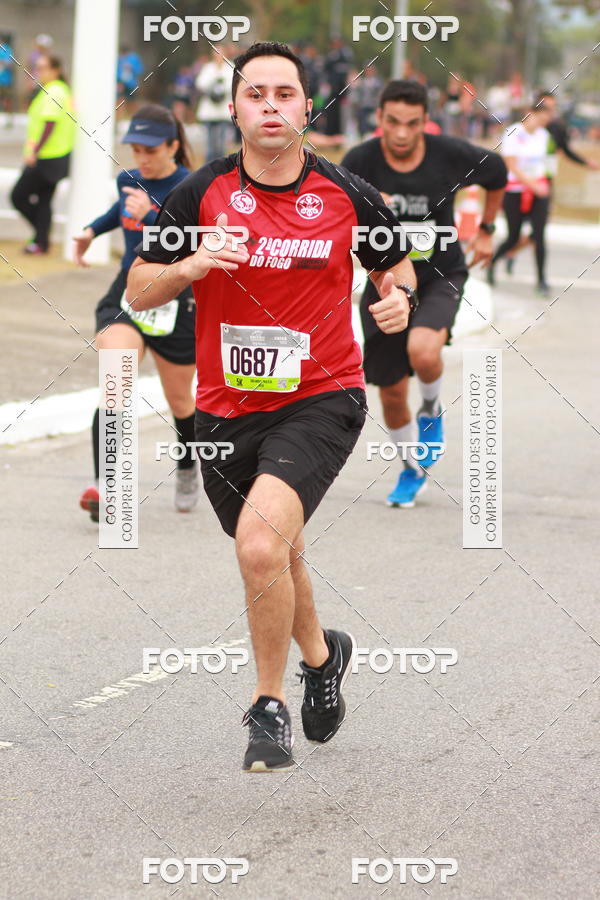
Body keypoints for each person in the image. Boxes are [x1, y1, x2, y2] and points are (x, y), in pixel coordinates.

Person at [127, 42, 416, 772]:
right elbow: (137, 290)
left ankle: (268, 705)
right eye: (255, 94)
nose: (271, 107)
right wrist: (192, 263)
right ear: (233, 109)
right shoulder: (199, 193)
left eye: (284, 94)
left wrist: (397, 301)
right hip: (226, 409)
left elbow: (396, 262)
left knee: (259, 546)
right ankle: (323, 659)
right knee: (276, 552)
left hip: (323, 397)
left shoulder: (346, 191)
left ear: (305, 106)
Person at [342, 80, 507, 508]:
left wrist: (486, 229)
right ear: (378, 120)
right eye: (392, 122)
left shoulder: (450, 154)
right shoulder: (359, 161)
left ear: (424, 124)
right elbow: (338, 218)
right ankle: (411, 470)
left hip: (439, 274)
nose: (400, 133)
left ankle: (431, 408)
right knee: (392, 391)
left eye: (411, 124)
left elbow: (498, 173)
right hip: (384, 282)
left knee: (424, 351)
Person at [73, 105, 198, 521]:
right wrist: (91, 231)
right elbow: (118, 211)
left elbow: (196, 238)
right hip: (128, 294)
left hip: (176, 299)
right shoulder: (129, 179)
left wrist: (154, 216)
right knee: (115, 382)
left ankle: (186, 466)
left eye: (150, 149)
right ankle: (106, 488)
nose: (141, 158)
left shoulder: (192, 185)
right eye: (135, 149)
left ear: (173, 146)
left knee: (181, 401)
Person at [503, 91, 599, 275]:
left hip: (543, 182)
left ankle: (529, 268)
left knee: (537, 233)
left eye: (552, 109)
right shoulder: (522, 130)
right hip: (523, 184)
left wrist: (586, 163)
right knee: (515, 232)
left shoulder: (553, 129)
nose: (549, 113)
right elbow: (512, 162)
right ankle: (510, 251)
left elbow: (565, 151)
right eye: (546, 108)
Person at [487, 100, 554, 295]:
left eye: (546, 120)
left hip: (537, 192)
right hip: (515, 191)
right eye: (540, 118)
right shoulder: (513, 133)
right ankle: (493, 263)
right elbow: (511, 165)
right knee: (513, 236)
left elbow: (546, 164)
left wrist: (543, 185)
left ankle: (541, 280)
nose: (543, 123)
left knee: (539, 235)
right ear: (530, 113)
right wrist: (532, 184)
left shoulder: (544, 135)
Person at [10, 55, 74, 254]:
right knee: (44, 200)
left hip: (47, 157)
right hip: (56, 156)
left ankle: (41, 236)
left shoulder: (54, 90)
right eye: (36, 68)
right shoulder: (56, 89)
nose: (39, 72)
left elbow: (49, 124)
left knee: (18, 196)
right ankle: (41, 242)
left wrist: (34, 152)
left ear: (56, 70)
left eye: (43, 68)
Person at [195, 47, 234, 161]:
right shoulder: (208, 67)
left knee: (221, 143)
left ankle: (220, 165)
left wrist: (222, 87)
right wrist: (213, 82)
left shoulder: (230, 67)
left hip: (223, 109)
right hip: (209, 110)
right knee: (209, 143)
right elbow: (200, 83)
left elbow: (233, 84)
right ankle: (209, 165)